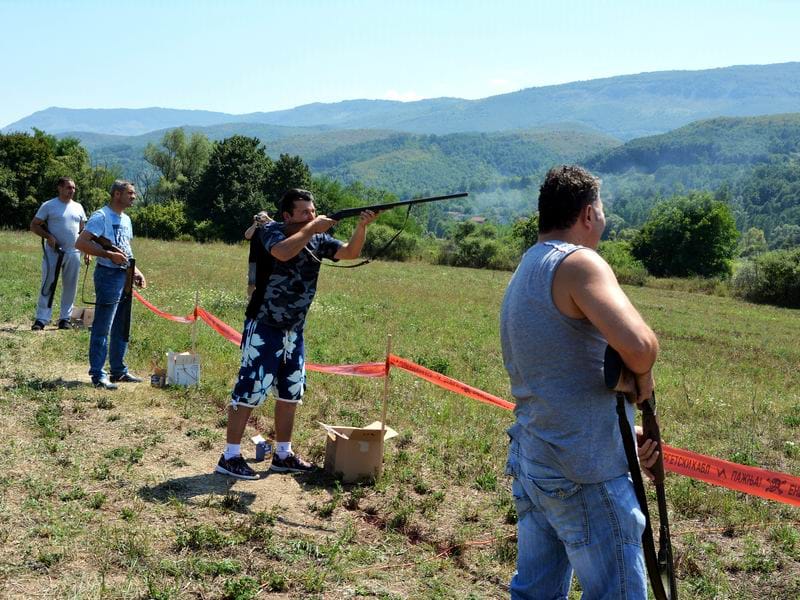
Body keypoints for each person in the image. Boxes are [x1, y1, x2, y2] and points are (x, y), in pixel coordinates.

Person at [499, 165, 660, 599]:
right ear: (588, 214)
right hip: (583, 469)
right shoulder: (578, 262)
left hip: (537, 455)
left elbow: (560, 372)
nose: (604, 220)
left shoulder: (527, 267)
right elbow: (641, 346)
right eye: (602, 211)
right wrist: (640, 373)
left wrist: (623, 421)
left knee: (535, 594)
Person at [215, 188, 379, 479]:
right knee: (249, 390)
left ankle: (283, 454)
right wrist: (313, 228)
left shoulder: (318, 238)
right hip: (264, 323)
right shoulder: (271, 231)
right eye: (304, 212)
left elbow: (350, 253)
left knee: (291, 393)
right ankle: (229, 456)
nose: (311, 216)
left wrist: (361, 227)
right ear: (287, 215)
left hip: (294, 328)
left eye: (313, 211)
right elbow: (282, 252)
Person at [75, 180, 146, 390]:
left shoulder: (126, 219)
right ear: (117, 194)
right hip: (107, 275)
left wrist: (136, 271)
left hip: (124, 275)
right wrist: (107, 254)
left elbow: (125, 248)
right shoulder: (101, 216)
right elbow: (81, 243)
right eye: (130, 193)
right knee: (103, 327)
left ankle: (119, 371)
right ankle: (98, 374)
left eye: (134, 193)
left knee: (121, 325)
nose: (133, 197)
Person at [30, 177, 87, 330]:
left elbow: (83, 231)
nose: (72, 191)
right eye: (69, 187)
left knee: (70, 286)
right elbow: (34, 225)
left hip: (74, 252)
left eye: (74, 188)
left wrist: (87, 251)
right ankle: (41, 319)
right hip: (53, 252)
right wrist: (48, 236)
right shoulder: (49, 205)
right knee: (48, 284)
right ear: (60, 188)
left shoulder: (78, 207)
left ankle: (65, 319)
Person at [244, 210, 272, 299]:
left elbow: (280, 227)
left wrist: (267, 219)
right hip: (254, 260)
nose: (261, 219)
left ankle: (264, 300)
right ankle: (250, 300)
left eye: (263, 217)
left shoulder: (271, 229)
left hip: (268, 261)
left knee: (267, 282)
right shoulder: (254, 229)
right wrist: (255, 223)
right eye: (259, 216)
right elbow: (247, 236)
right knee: (252, 282)